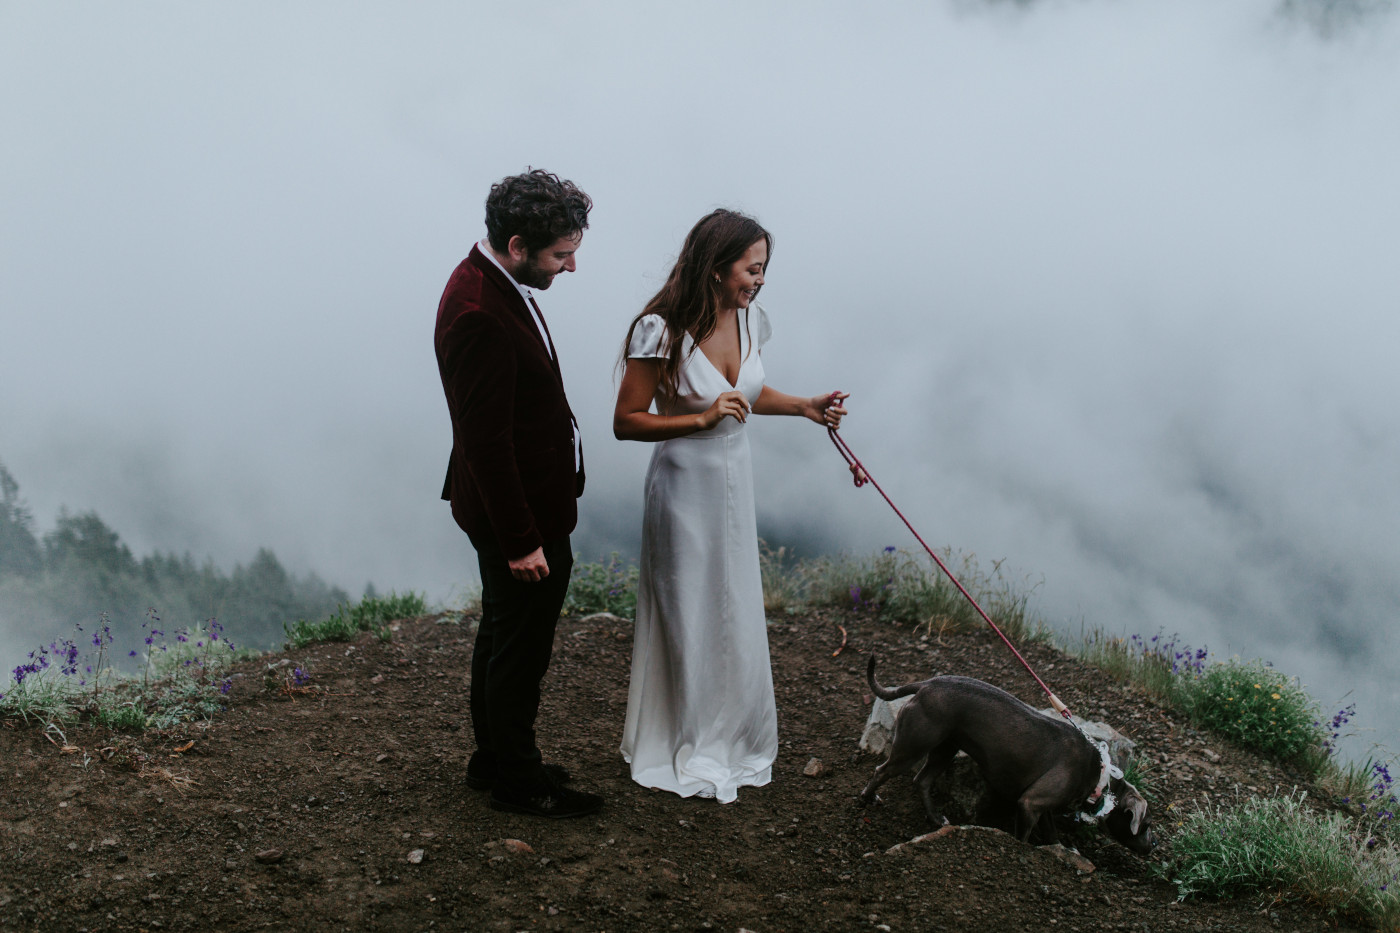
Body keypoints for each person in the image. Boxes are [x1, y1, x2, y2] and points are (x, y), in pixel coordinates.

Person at [613, 209, 849, 802]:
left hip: (734, 481)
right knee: (689, 605)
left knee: (733, 604)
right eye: (752, 268)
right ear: (717, 268)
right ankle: (686, 738)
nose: (760, 280)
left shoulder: (751, 321)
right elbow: (626, 421)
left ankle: (732, 734)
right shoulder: (659, 330)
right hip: (683, 485)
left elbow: (746, 392)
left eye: (764, 269)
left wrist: (804, 406)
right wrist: (699, 418)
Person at [434, 169, 604, 818]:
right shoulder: (480, 311)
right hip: (519, 514)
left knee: (504, 633)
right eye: (562, 254)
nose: (571, 266)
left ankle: (494, 760)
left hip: (524, 505)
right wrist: (522, 539)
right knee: (521, 647)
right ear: (515, 244)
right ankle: (520, 779)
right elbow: (486, 442)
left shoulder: (494, 281)